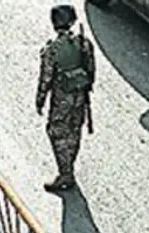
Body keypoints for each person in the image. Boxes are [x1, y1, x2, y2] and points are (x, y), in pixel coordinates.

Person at [36, 4, 95, 192]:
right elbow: (91, 70)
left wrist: (40, 100)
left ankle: (65, 173)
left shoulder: (52, 49)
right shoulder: (83, 43)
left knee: (56, 132)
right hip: (80, 96)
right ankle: (69, 165)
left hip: (62, 100)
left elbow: (45, 78)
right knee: (75, 131)